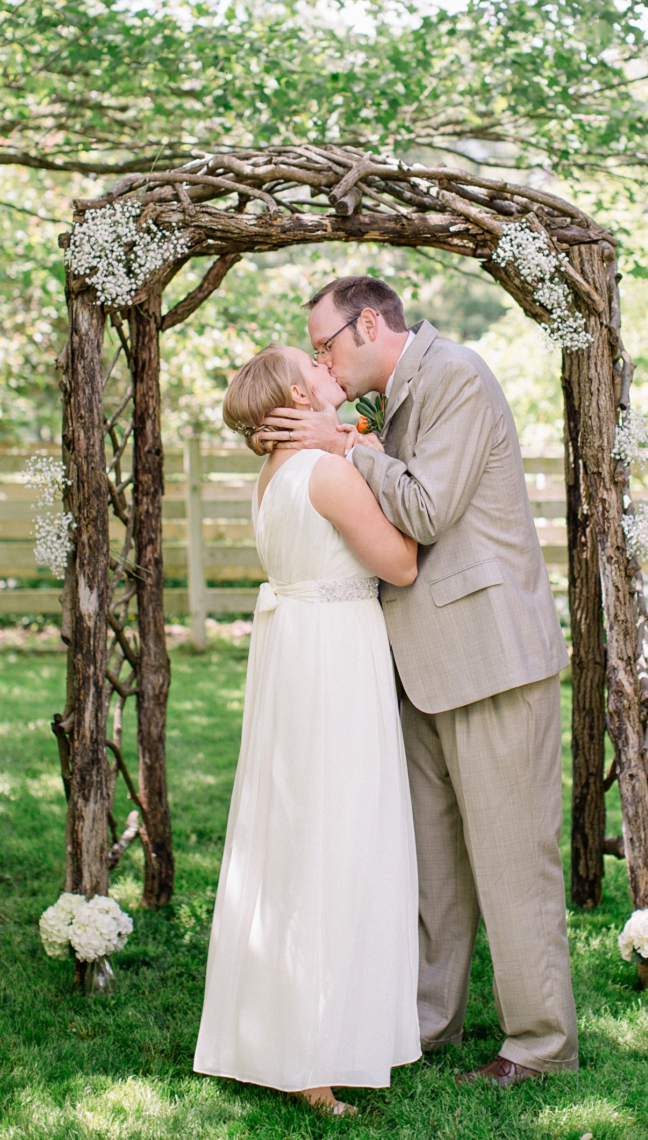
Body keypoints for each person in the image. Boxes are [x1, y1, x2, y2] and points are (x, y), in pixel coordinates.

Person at [260, 276, 579, 1086]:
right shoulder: (394, 399)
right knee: (434, 869)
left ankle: (538, 1045)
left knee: (512, 861)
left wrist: (347, 448)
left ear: (369, 324)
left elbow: (428, 510)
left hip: (489, 657)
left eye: (327, 344)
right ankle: (425, 1023)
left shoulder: (457, 377)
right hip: (419, 667)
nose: (325, 362)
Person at [193, 345, 422, 1115]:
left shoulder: (272, 478)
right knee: (336, 837)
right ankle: (314, 1052)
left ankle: (292, 1030)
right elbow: (401, 563)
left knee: (294, 837)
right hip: (335, 660)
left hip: (298, 656)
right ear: (298, 392)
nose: (334, 374)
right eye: (318, 369)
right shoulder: (327, 472)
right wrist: (370, 451)